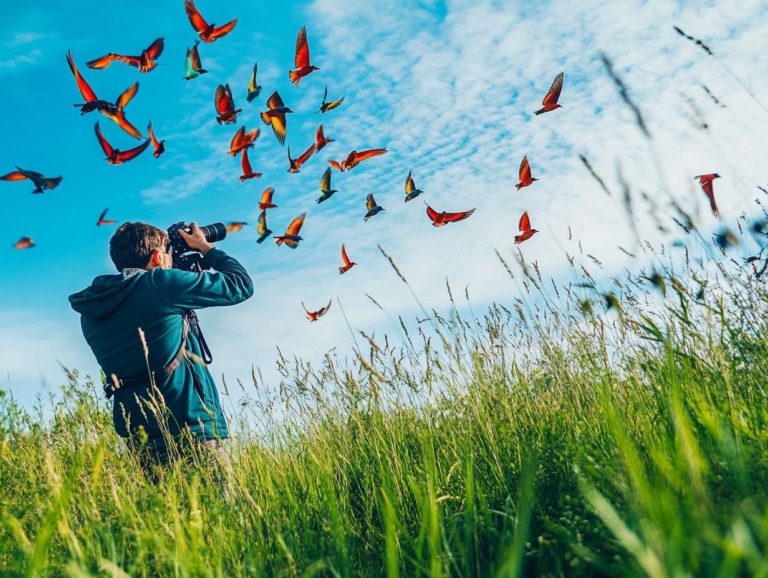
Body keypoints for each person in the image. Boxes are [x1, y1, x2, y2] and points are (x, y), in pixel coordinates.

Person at [69, 222, 253, 479]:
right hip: (192, 427)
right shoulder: (161, 284)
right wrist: (206, 248)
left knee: (165, 517)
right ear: (157, 257)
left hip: (141, 437)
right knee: (217, 516)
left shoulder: (92, 309)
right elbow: (240, 284)